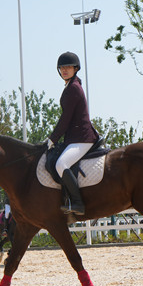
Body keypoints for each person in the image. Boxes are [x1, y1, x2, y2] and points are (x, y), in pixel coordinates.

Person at [45, 51, 98, 215]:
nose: (65, 70)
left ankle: (78, 203)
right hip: (74, 138)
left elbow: (65, 119)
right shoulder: (71, 86)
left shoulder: (73, 88)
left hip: (82, 138)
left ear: (76, 68)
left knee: (61, 164)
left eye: (68, 67)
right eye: (62, 67)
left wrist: (51, 139)